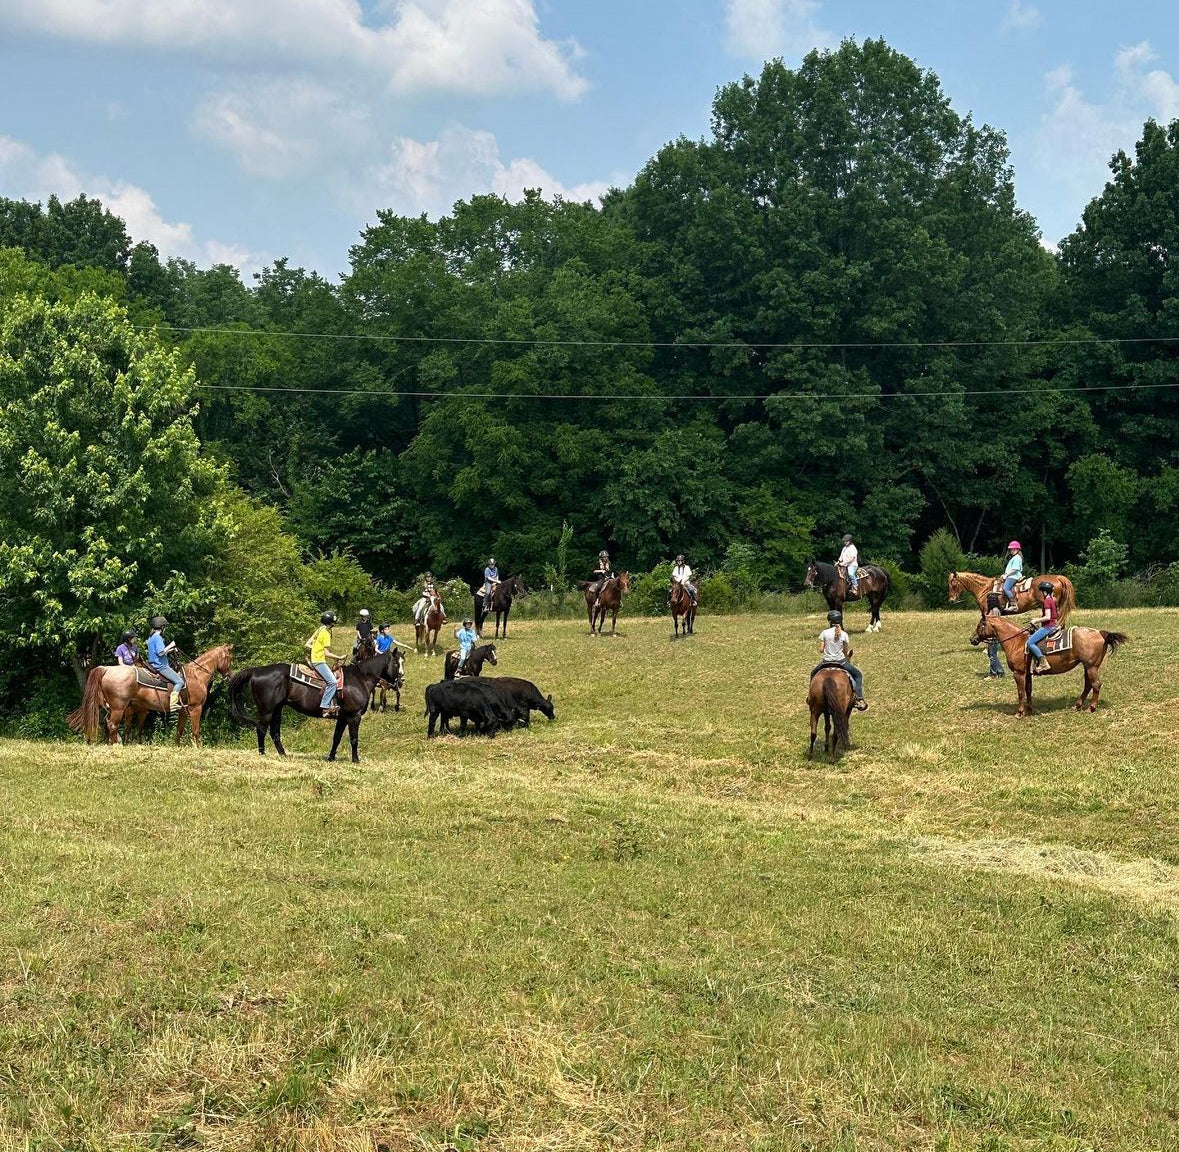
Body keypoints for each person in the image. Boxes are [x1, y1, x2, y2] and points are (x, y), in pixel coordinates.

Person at [812, 610, 867, 711]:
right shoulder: (844, 634)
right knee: (858, 675)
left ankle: (811, 697)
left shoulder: (824, 633)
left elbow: (821, 650)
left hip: (826, 662)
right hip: (841, 662)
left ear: (829, 621)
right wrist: (846, 656)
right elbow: (845, 651)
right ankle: (859, 699)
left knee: (813, 674)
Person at [305, 611, 346, 717]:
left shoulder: (319, 629)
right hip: (319, 661)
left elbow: (307, 644)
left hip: (314, 659)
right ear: (332, 623)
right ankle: (325, 706)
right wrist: (339, 657)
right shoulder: (326, 633)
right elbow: (326, 653)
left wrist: (316, 649)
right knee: (332, 682)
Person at [146, 616, 186, 711]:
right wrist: (171, 645)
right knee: (180, 681)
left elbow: (159, 652)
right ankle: (173, 704)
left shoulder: (151, 637)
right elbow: (160, 653)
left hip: (153, 664)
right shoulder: (158, 637)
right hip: (161, 666)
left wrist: (171, 650)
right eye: (165, 627)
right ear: (162, 627)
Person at [1026, 581, 1059, 675]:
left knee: (1030, 642)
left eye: (1042, 592)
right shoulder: (1052, 599)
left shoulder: (1047, 601)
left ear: (1044, 592)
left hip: (1048, 626)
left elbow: (1048, 617)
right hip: (1053, 625)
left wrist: (1036, 620)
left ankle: (1043, 662)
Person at [1002, 541, 1024, 611]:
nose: (1012, 551)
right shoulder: (1015, 557)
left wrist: (1006, 575)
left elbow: (1015, 569)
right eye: (1011, 549)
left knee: (1006, 588)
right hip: (1012, 576)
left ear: (1018, 550)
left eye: (1014, 549)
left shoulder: (1017, 558)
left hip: (1013, 576)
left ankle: (1013, 604)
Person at [986, 605, 1005, 678]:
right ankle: (999, 671)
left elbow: (993, 625)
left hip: (993, 637)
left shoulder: (994, 611)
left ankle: (993, 673)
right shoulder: (996, 610)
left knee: (992, 655)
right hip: (994, 637)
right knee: (992, 655)